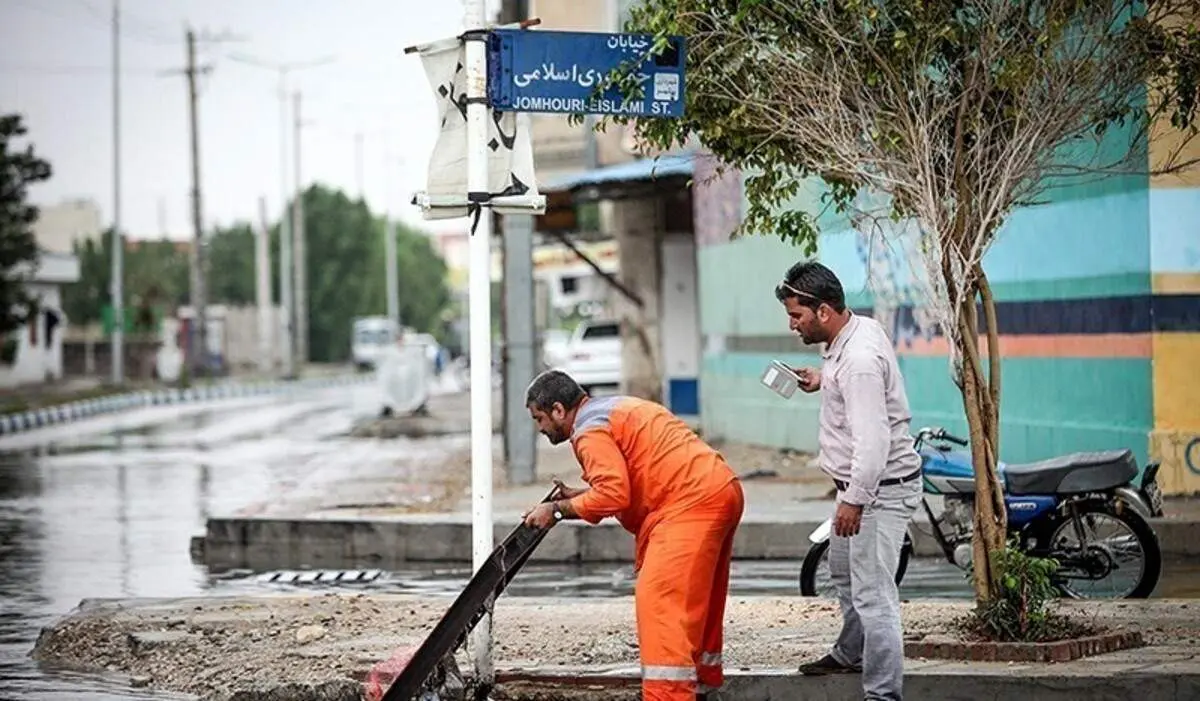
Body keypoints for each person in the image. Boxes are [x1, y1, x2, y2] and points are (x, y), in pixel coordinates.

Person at [521, 370, 744, 701]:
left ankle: (669, 695)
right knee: (697, 603)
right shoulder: (614, 409)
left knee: (660, 604)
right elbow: (632, 479)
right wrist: (577, 496)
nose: (540, 428)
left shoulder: (588, 432)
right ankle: (700, 684)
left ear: (558, 409)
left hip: (688, 504)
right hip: (718, 489)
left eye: (539, 419)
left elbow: (613, 495)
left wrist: (556, 510)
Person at [775, 261, 922, 701]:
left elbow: (873, 441)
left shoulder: (857, 361)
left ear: (823, 311)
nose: (792, 324)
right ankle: (851, 652)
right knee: (842, 572)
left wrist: (855, 500)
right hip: (859, 489)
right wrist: (823, 380)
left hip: (876, 492)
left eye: (796, 315)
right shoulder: (856, 332)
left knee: (874, 597)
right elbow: (862, 390)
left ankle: (883, 694)